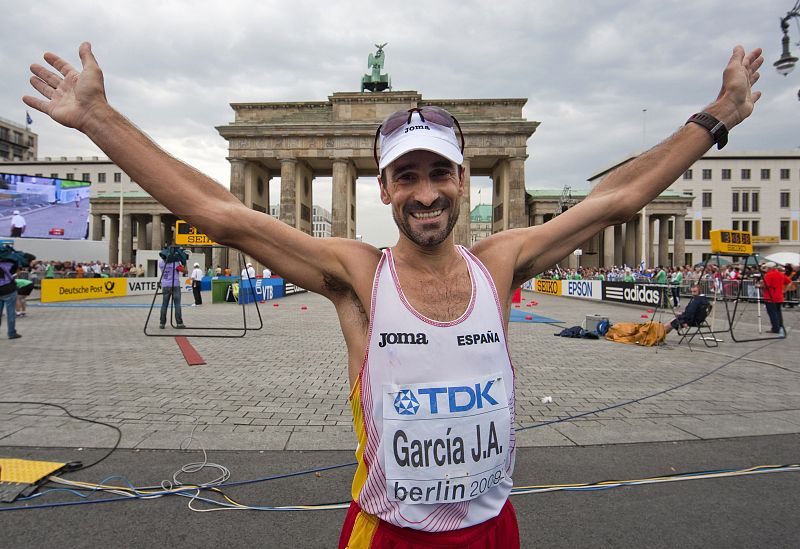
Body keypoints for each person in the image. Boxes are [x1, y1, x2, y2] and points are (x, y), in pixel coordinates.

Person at [23, 41, 763, 547]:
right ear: (383, 188)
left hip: (491, 524)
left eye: (440, 174)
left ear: (464, 177)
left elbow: (617, 199)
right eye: (406, 176)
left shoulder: (499, 262)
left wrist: (715, 117)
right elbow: (224, 216)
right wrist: (98, 119)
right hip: (391, 532)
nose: (427, 192)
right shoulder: (357, 274)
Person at [158, 246, 186, 329]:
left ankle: (162, 323)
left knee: (164, 304)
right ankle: (179, 323)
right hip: (175, 284)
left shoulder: (161, 263)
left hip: (165, 285)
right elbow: (185, 271)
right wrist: (184, 262)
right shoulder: (175, 263)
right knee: (177, 304)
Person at [761, 262, 793, 335]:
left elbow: (766, 285)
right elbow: (790, 282)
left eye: (766, 268)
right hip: (779, 296)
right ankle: (780, 326)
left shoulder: (768, 275)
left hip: (770, 296)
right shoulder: (781, 274)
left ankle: (775, 328)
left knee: (772, 313)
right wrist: (785, 290)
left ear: (769, 268)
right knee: (778, 313)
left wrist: (759, 285)